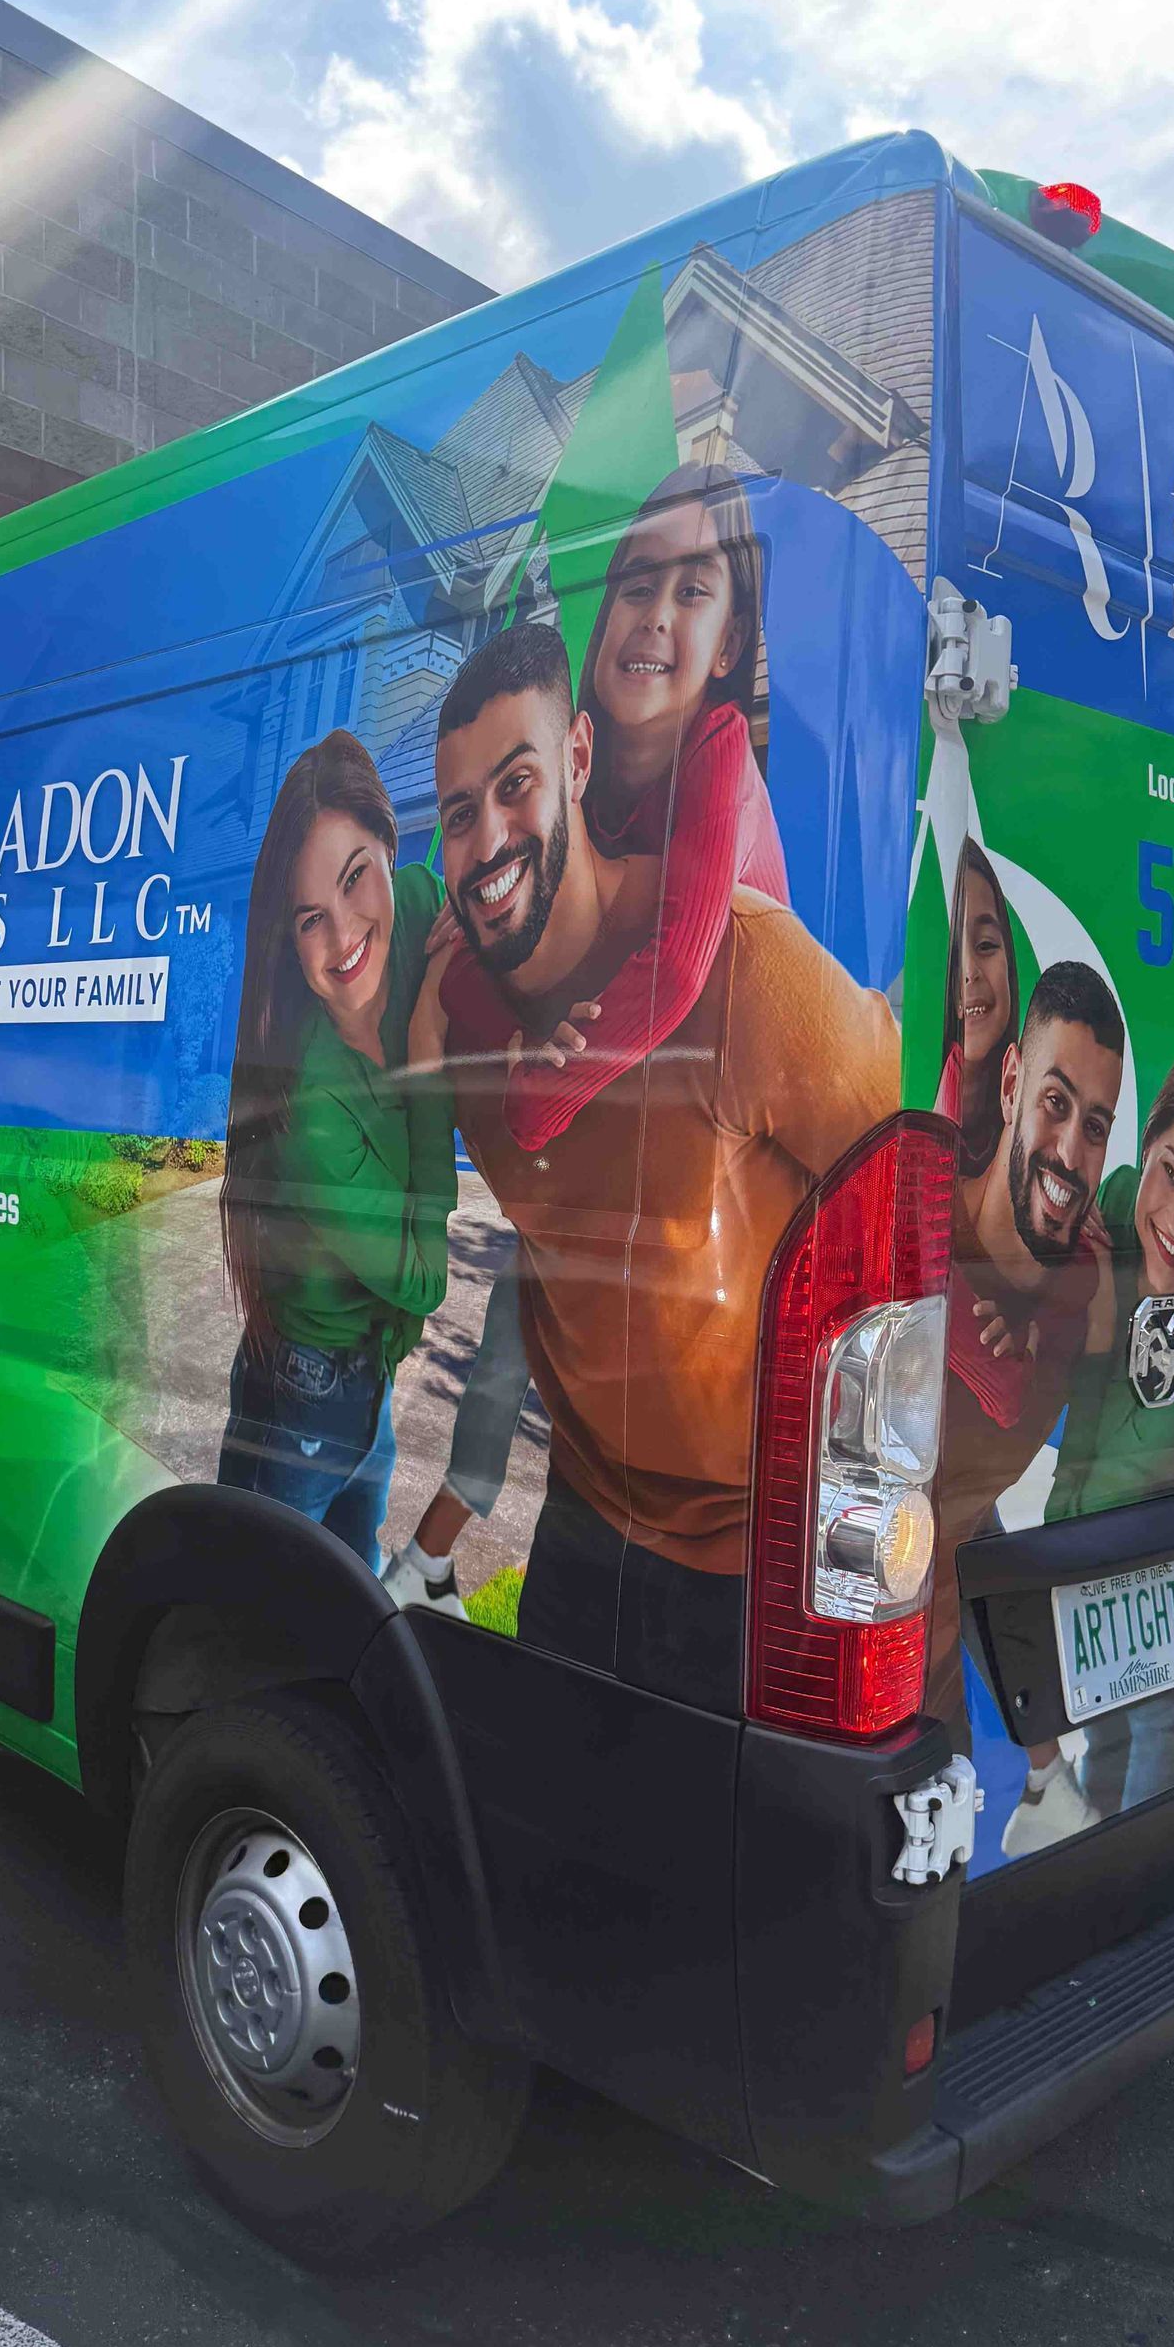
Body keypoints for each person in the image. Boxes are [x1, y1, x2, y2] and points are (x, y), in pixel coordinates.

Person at [423, 621, 901, 1692]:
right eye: (461, 814)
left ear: (580, 759)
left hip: (749, 1568)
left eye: (518, 784)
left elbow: (918, 1192)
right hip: (583, 1520)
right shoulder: (465, 1013)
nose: (490, 838)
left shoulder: (750, 972)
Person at [383, 462, 787, 1613]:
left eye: (693, 588)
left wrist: (537, 1096)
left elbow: (679, 957)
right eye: (634, 581)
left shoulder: (717, 756)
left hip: (700, 1189)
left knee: (601, 1399)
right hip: (608, 1167)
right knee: (514, 1355)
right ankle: (432, 1562)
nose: (654, 614)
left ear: (729, 638)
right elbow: (507, 927)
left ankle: (434, 1562)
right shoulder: (586, 768)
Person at [216, 730, 457, 1572]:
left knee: (347, 1598)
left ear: (392, 845)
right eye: (311, 918)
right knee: (253, 1611)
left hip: (370, 1376)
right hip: (307, 1396)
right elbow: (425, 1274)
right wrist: (427, 1056)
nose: (345, 933)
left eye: (356, 876)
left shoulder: (427, 907)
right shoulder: (313, 1102)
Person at [1033, 1039, 1174, 1829]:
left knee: (1142, 1820)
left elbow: (1161, 1455)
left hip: (1164, 1597)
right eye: (1170, 1171)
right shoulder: (1115, 1208)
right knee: (1100, 1785)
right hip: (1090, 1574)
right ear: (1145, 1145)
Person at [929, 963, 1125, 1830]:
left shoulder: (1081, 1264)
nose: (1073, 1153)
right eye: (1056, 1103)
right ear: (1010, 1081)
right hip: (905, 1557)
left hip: (955, 1525)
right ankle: (1031, 1777)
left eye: (1096, 1125)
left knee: (977, 1549)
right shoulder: (924, 1242)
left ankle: (1043, 1773)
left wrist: (1041, 1317)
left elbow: (1102, 1319)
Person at [933, 837, 1018, 1178]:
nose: (969, 972)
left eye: (985, 945)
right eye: (951, 956)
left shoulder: (1036, 1117)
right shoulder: (917, 1123)